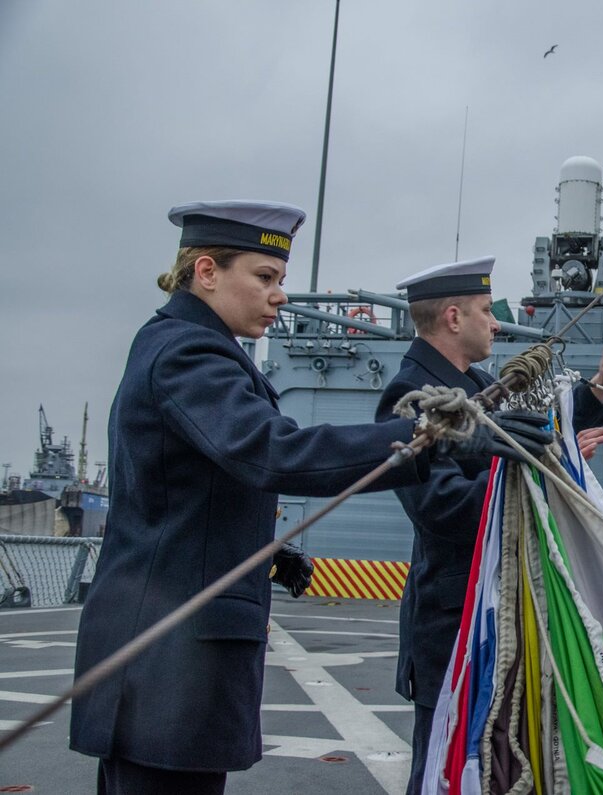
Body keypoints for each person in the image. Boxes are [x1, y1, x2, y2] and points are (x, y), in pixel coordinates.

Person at [69, 202, 550, 795]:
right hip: (168, 662)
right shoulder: (187, 353)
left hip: (171, 658)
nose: (278, 296)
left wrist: (268, 550)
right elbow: (272, 450)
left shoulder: (189, 347)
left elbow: (192, 494)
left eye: (281, 281)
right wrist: (439, 440)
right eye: (264, 278)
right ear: (206, 272)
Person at [373, 256, 603, 794]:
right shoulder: (409, 393)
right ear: (453, 318)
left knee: (499, 762)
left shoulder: (475, 382)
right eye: (483, 311)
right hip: (456, 623)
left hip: (502, 611)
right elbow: (442, 507)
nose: (495, 322)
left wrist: (600, 388)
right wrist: (543, 472)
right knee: (443, 769)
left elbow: (527, 430)